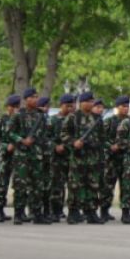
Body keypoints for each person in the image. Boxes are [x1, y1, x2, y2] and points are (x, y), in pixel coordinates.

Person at [8, 88, 50, 224]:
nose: (36, 99)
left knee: (37, 185)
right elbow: (10, 133)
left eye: (37, 97)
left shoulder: (40, 115)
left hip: (36, 155)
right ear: (26, 100)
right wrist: (21, 140)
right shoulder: (18, 115)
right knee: (20, 185)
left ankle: (36, 213)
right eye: (32, 97)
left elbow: (44, 135)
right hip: (22, 156)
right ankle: (19, 214)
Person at [62, 92, 105, 224]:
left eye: (92, 101)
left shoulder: (97, 118)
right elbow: (64, 135)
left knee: (92, 185)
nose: (91, 103)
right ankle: (73, 212)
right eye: (88, 101)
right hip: (78, 158)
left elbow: (102, 137)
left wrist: (96, 146)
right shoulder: (72, 117)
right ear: (82, 103)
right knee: (75, 185)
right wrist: (73, 142)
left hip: (92, 158)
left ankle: (91, 212)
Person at [102, 95, 130, 222]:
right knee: (108, 186)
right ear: (117, 107)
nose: (125, 109)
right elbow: (102, 138)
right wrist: (111, 146)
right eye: (123, 106)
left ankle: (126, 212)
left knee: (127, 187)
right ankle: (104, 211)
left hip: (127, 159)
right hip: (112, 159)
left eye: (127, 106)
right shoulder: (109, 121)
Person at [0, 94, 20, 222]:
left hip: (19, 156)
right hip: (4, 156)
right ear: (8, 107)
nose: (15, 109)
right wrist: (4, 146)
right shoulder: (1, 121)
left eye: (17, 107)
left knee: (19, 184)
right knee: (2, 184)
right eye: (13, 107)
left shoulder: (20, 120)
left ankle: (20, 211)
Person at [49, 93, 75, 222]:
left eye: (72, 106)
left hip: (73, 157)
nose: (70, 108)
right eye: (67, 106)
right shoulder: (53, 120)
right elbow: (46, 137)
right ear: (61, 106)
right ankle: (56, 210)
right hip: (57, 158)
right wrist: (55, 146)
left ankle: (72, 210)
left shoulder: (76, 120)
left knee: (72, 185)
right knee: (57, 185)